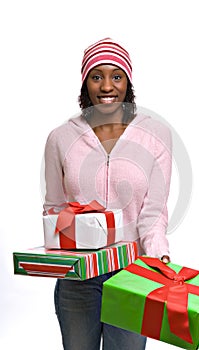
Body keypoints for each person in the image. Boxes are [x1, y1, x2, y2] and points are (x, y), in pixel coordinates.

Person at [43, 37, 172, 350]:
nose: (106, 86)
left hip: (133, 274)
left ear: (128, 82)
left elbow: (153, 212)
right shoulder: (61, 138)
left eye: (116, 76)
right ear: (85, 82)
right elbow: (54, 206)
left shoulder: (155, 134)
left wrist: (159, 255)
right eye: (96, 76)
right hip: (77, 279)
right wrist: (57, 251)